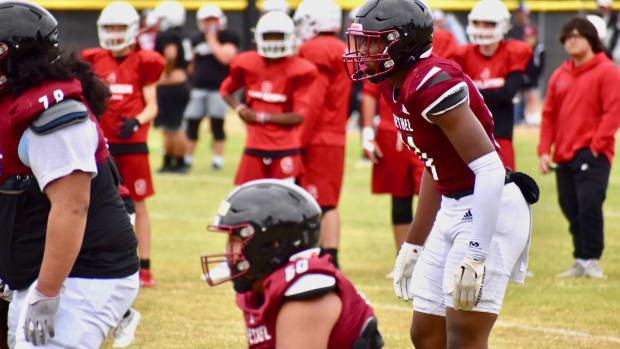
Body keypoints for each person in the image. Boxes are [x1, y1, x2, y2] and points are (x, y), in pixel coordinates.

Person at [343, 0, 535, 348]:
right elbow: (434, 164)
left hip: (488, 203)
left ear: (402, 42)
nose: (363, 51)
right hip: (452, 204)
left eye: (372, 41)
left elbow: (489, 167)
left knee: (463, 332)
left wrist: (476, 252)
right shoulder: (392, 82)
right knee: (426, 333)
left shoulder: (431, 82)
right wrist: (413, 243)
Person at [0, 1, 140, 347]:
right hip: (36, 259)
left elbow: (71, 207)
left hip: (85, 269)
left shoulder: (53, 113)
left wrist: (47, 292)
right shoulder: (13, 97)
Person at [201, 179, 384, 349]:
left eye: (236, 240)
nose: (229, 251)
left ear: (273, 243)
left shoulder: (304, 292)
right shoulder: (261, 287)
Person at [81, 1, 165, 289]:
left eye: (119, 27)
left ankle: (145, 267)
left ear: (131, 30)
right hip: (100, 144)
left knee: (138, 203)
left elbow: (153, 106)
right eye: (110, 28)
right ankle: (92, 260)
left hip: (133, 143)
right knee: (93, 201)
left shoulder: (146, 60)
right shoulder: (93, 58)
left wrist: (137, 121)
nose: (115, 34)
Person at [538, 16, 620, 279]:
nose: (571, 40)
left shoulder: (607, 71)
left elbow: (613, 111)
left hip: (593, 152)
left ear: (591, 39)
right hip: (563, 152)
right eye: (567, 37)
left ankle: (592, 259)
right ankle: (581, 258)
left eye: (577, 36)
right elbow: (548, 114)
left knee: (589, 204)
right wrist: (543, 150)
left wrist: (596, 146)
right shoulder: (560, 74)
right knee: (568, 204)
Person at [219, 11, 319, 186]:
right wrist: (240, 108)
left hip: (285, 146)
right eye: (269, 36)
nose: (273, 41)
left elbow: (297, 117)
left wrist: (259, 117)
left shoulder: (302, 70)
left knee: (284, 202)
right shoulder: (245, 64)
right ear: (258, 37)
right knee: (248, 200)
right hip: (254, 145)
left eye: (278, 36)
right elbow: (225, 90)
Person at [293, 0, 351, 269]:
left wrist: (297, 139)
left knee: (317, 201)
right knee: (329, 201)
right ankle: (331, 258)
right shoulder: (341, 48)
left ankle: (324, 259)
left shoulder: (313, 49)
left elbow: (313, 100)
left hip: (317, 135)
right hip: (335, 134)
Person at [454, 0, 532, 171]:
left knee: (505, 185)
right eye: (477, 23)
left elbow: (507, 95)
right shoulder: (462, 54)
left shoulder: (513, 52)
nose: (481, 28)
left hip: (501, 131)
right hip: (469, 132)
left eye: (488, 24)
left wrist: (472, 94)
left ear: (502, 25)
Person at [360, 80, 424, 278]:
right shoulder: (381, 56)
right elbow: (370, 91)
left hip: (424, 129)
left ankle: (432, 259)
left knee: (435, 199)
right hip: (392, 132)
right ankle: (403, 259)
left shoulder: (440, 49)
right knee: (399, 199)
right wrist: (367, 134)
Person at [184, 4, 239, 170]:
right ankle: (186, 159)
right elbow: (190, 67)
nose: (210, 23)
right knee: (192, 123)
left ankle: (217, 160)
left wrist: (212, 40)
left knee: (217, 124)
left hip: (218, 89)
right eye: (207, 20)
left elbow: (226, 58)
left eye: (213, 19)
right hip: (199, 88)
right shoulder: (195, 39)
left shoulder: (228, 36)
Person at [153, 0, 192, 173]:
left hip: (172, 85)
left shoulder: (167, 35)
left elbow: (170, 55)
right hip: (181, 83)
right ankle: (169, 161)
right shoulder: (183, 35)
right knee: (170, 127)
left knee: (174, 127)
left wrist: (165, 74)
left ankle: (179, 162)